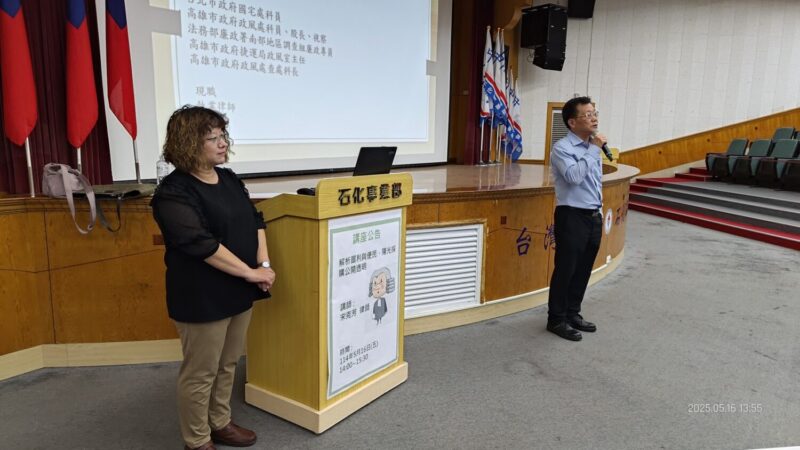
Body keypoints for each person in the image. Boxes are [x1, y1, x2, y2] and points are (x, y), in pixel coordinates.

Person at [151, 106, 276, 450]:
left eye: (223, 135)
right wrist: (252, 272)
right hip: (201, 295)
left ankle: (220, 422)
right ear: (189, 143)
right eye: (213, 138)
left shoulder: (229, 178)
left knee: (228, 363)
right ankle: (197, 439)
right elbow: (201, 244)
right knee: (201, 371)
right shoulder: (173, 192)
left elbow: (255, 220)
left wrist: (263, 264)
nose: (223, 143)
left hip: (239, 288)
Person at [546, 96, 605, 341]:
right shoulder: (563, 148)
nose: (594, 118)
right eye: (587, 115)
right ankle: (556, 319)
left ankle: (572, 313)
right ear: (572, 122)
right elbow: (573, 177)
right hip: (571, 216)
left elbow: (593, 184)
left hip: (593, 216)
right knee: (566, 270)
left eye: (595, 113)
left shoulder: (592, 147)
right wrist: (593, 150)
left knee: (583, 269)